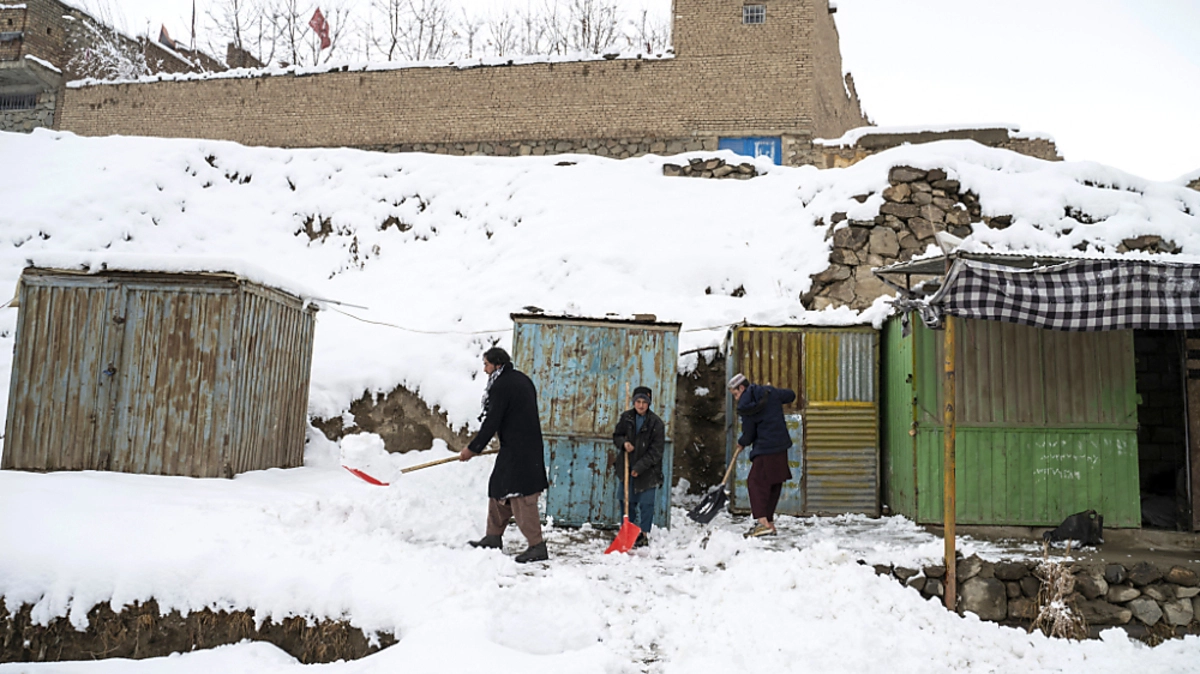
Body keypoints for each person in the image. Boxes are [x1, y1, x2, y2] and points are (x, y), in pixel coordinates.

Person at [459, 347, 550, 563]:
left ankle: (537, 546)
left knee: (521, 496)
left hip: (521, 450)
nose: (484, 369)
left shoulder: (502, 385)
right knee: (498, 488)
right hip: (518, 446)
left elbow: (493, 420)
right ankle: (493, 536)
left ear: (497, 364)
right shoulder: (520, 379)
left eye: (487, 364)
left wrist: (473, 449)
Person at [728, 373, 795, 538]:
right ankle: (768, 522)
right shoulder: (769, 393)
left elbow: (749, 431)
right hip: (780, 445)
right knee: (774, 482)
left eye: (736, 394)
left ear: (742, 388)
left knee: (755, 482)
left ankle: (762, 522)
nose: (737, 398)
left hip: (766, 448)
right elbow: (790, 395)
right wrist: (772, 391)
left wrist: (742, 442)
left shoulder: (745, 404)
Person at [611, 386, 665, 548]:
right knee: (627, 501)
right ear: (634, 402)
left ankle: (643, 534)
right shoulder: (626, 418)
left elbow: (656, 451)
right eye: (638, 402)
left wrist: (639, 467)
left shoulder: (656, 423)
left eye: (644, 402)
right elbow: (617, 436)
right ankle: (628, 532)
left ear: (649, 404)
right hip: (627, 468)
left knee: (646, 504)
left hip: (648, 471)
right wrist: (624, 443)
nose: (641, 405)